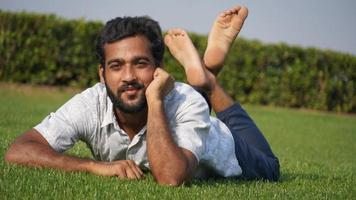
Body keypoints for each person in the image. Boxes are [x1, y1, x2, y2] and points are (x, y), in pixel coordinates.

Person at [4, 6, 279, 186]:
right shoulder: (92, 102)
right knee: (189, 99)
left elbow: (171, 178)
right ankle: (206, 78)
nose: (128, 77)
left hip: (227, 145)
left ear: (159, 69)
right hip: (187, 107)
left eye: (140, 63)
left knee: (271, 167)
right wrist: (93, 166)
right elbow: (19, 150)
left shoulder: (184, 101)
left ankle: (209, 81)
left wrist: (156, 101)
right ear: (102, 75)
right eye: (116, 66)